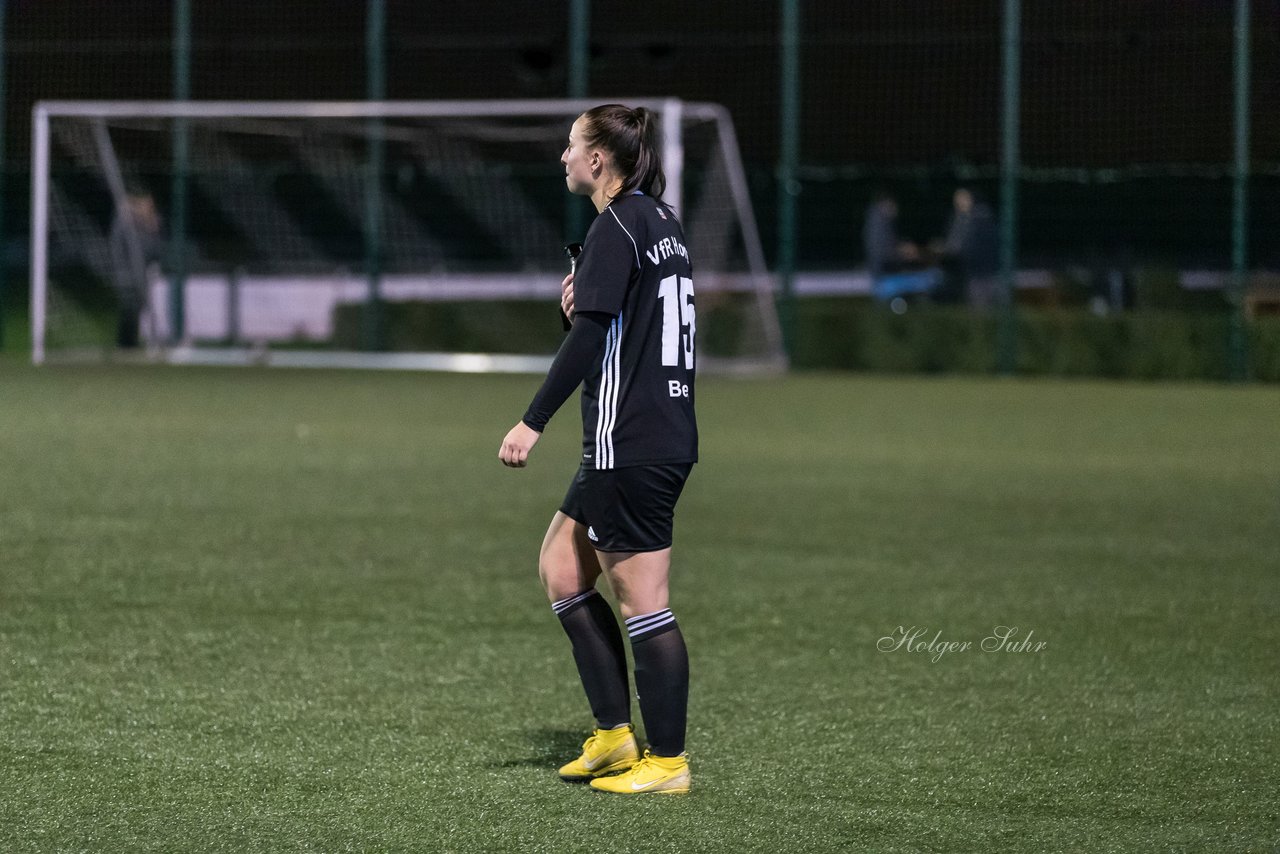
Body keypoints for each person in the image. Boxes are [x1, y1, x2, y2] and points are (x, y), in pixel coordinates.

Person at [498, 105, 698, 795]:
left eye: (571, 145)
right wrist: (581, 313)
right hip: (652, 431)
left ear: (598, 161)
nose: (562, 157)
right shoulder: (660, 222)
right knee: (560, 567)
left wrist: (532, 421)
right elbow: (621, 324)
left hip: (634, 439)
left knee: (644, 598)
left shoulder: (614, 226)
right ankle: (615, 736)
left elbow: (590, 339)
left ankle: (667, 762)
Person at [107, 188, 163, 348]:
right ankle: (124, 343)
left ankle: (131, 341)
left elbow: (154, 251)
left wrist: (153, 228)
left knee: (137, 307)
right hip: (125, 273)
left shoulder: (151, 225)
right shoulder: (125, 223)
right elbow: (118, 245)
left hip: (142, 274)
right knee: (129, 306)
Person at [862, 191, 941, 303]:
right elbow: (886, 254)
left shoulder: (877, 222)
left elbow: (889, 247)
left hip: (882, 276)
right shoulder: (880, 226)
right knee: (934, 277)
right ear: (887, 204)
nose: (896, 209)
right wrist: (909, 253)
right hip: (886, 280)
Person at [934, 188, 999, 309]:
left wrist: (947, 249)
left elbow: (962, 246)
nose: (958, 203)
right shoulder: (961, 219)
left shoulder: (978, 220)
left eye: (962, 199)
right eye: (957, 200)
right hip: (973, 272)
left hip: (981, 273)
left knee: (982, 309)